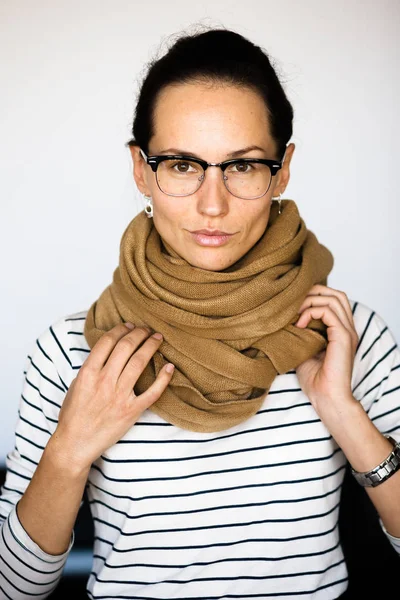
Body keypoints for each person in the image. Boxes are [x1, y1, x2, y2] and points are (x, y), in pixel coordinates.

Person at [0, 25, 399, 600]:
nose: (212, 205)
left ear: (282, 169)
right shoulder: (72, 351)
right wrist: (70, 448)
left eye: (243, 166)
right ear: (142, 169)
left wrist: (344, 413)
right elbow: (15, 589)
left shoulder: (340, 334)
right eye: (182, 165)